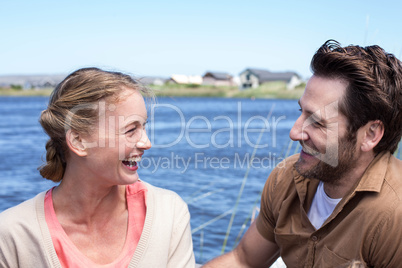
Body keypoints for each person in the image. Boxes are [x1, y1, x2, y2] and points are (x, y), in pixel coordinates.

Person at [203, 40, 402, 267]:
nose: (295, 132)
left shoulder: (394, 216)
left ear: (370, 134)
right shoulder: (285, 177)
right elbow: (244, 260)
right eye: (301, 111)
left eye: (317, 122)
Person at [0, 68, 196, 268]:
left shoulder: (169, 213)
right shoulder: (11, 234)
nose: (147, 143)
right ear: (79, 141)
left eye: (143, 127)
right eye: (131, 130)